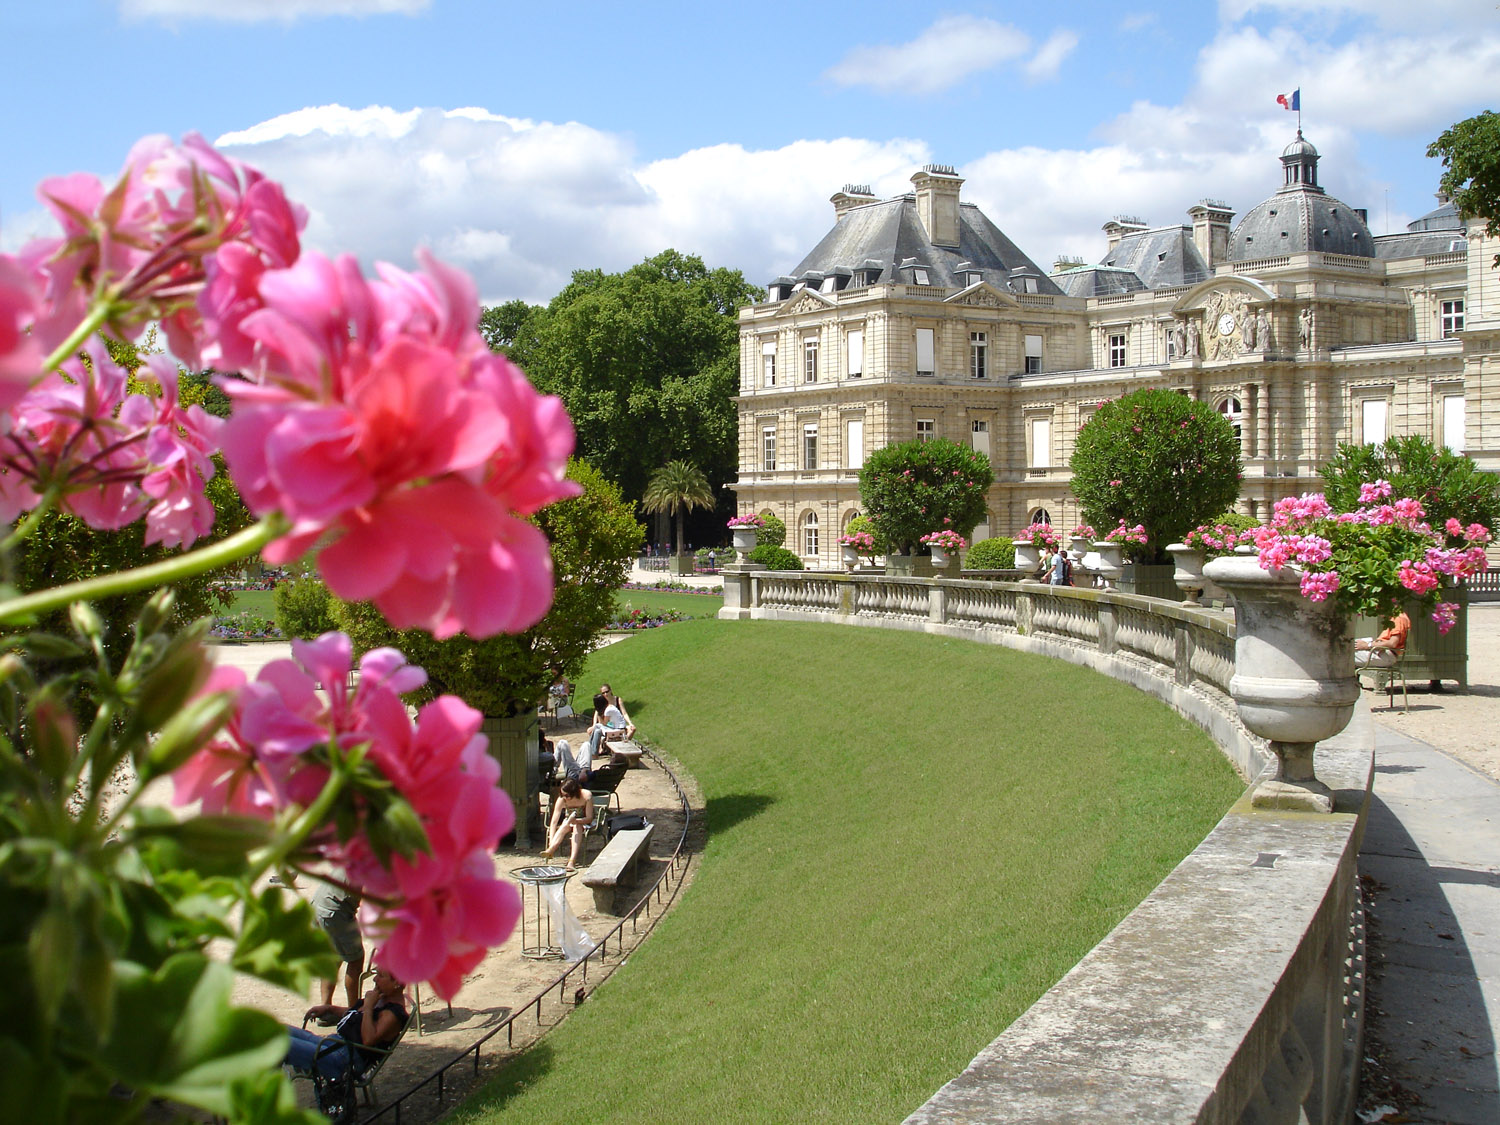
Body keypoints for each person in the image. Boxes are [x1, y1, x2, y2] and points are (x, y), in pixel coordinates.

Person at [287, 965, 408, 1082]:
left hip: (344, 1060)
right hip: (335, 1044)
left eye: (381, 976)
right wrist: (330, 1009)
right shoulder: (382, 998)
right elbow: (356, 1015)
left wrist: (369, 1007)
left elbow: (368, 1040)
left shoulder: (392, 1015)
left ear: (397, 983)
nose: (375, 979)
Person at [310, 871, 364, 1019]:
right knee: (355, 960)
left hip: (320, 904)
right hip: (333, 910)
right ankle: (353, 1013)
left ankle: (325, 1010)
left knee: (333, 957)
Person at [541, 777, 594, 873]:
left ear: (574, 793)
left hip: (583, 821)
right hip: (569, 821)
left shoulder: (586, 796)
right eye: (562, 794)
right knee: (565, 824)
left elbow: (589, 818)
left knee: (577, 826)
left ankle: (572, 860)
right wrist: (551, 840)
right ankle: (551, 848)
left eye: (566, 795)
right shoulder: (562, 799)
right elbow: (554, 821)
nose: (564, 797)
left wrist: (577, 821)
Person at [585, 691, 633, 759]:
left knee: (598, 731)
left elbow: (604, 723)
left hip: (619, 730)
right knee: (596, 727)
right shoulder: (609, 707)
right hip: (615, 727)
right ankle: (589, 749)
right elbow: (607, 723)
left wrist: (598, 714)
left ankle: (594, 753)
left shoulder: (608, 710)